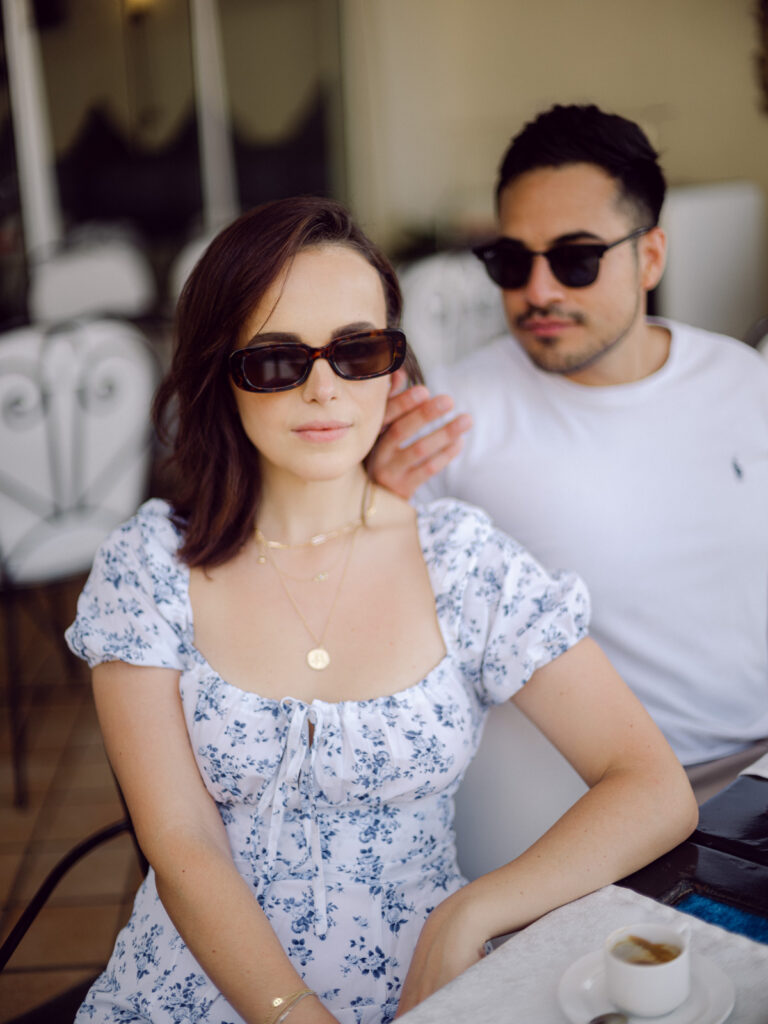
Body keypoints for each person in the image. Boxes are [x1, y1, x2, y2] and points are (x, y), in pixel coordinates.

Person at [65, 196, 696, 1024]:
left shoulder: (463, 562)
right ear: (221, 374)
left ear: (393, 367)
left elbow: (653, 788)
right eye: (276, 360)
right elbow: (182, 846)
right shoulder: (147, 566)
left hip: (422, 993)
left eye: (358, 351)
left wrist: (471, 912)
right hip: (193, 986)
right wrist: (294, 1014)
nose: (324, 389)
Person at [371, 103, 768, 804]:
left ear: (650, 256)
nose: (538, 291)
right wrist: (372, 508)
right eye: (511, 261)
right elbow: (365, 618)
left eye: (576, 259)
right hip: (593, 800)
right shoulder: (448, 420)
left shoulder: (742, 381)